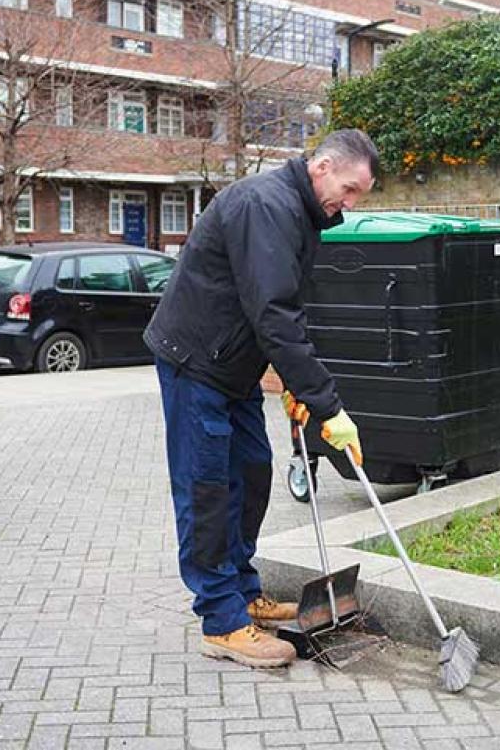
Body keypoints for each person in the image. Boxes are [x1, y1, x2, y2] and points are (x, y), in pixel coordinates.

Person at [143, 129, 378, 669]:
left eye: (359, 193)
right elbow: (273, 313)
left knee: (250, 473)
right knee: (207, 487)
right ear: (321, 167)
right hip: (196, 361)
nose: (351, 202)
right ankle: (222, 620)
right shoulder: (264, 205)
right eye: (349, 188)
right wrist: (327, 406)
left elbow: (289, 309)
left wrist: (300, 382)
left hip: (235, 369)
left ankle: (244, 591)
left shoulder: (300, 213)